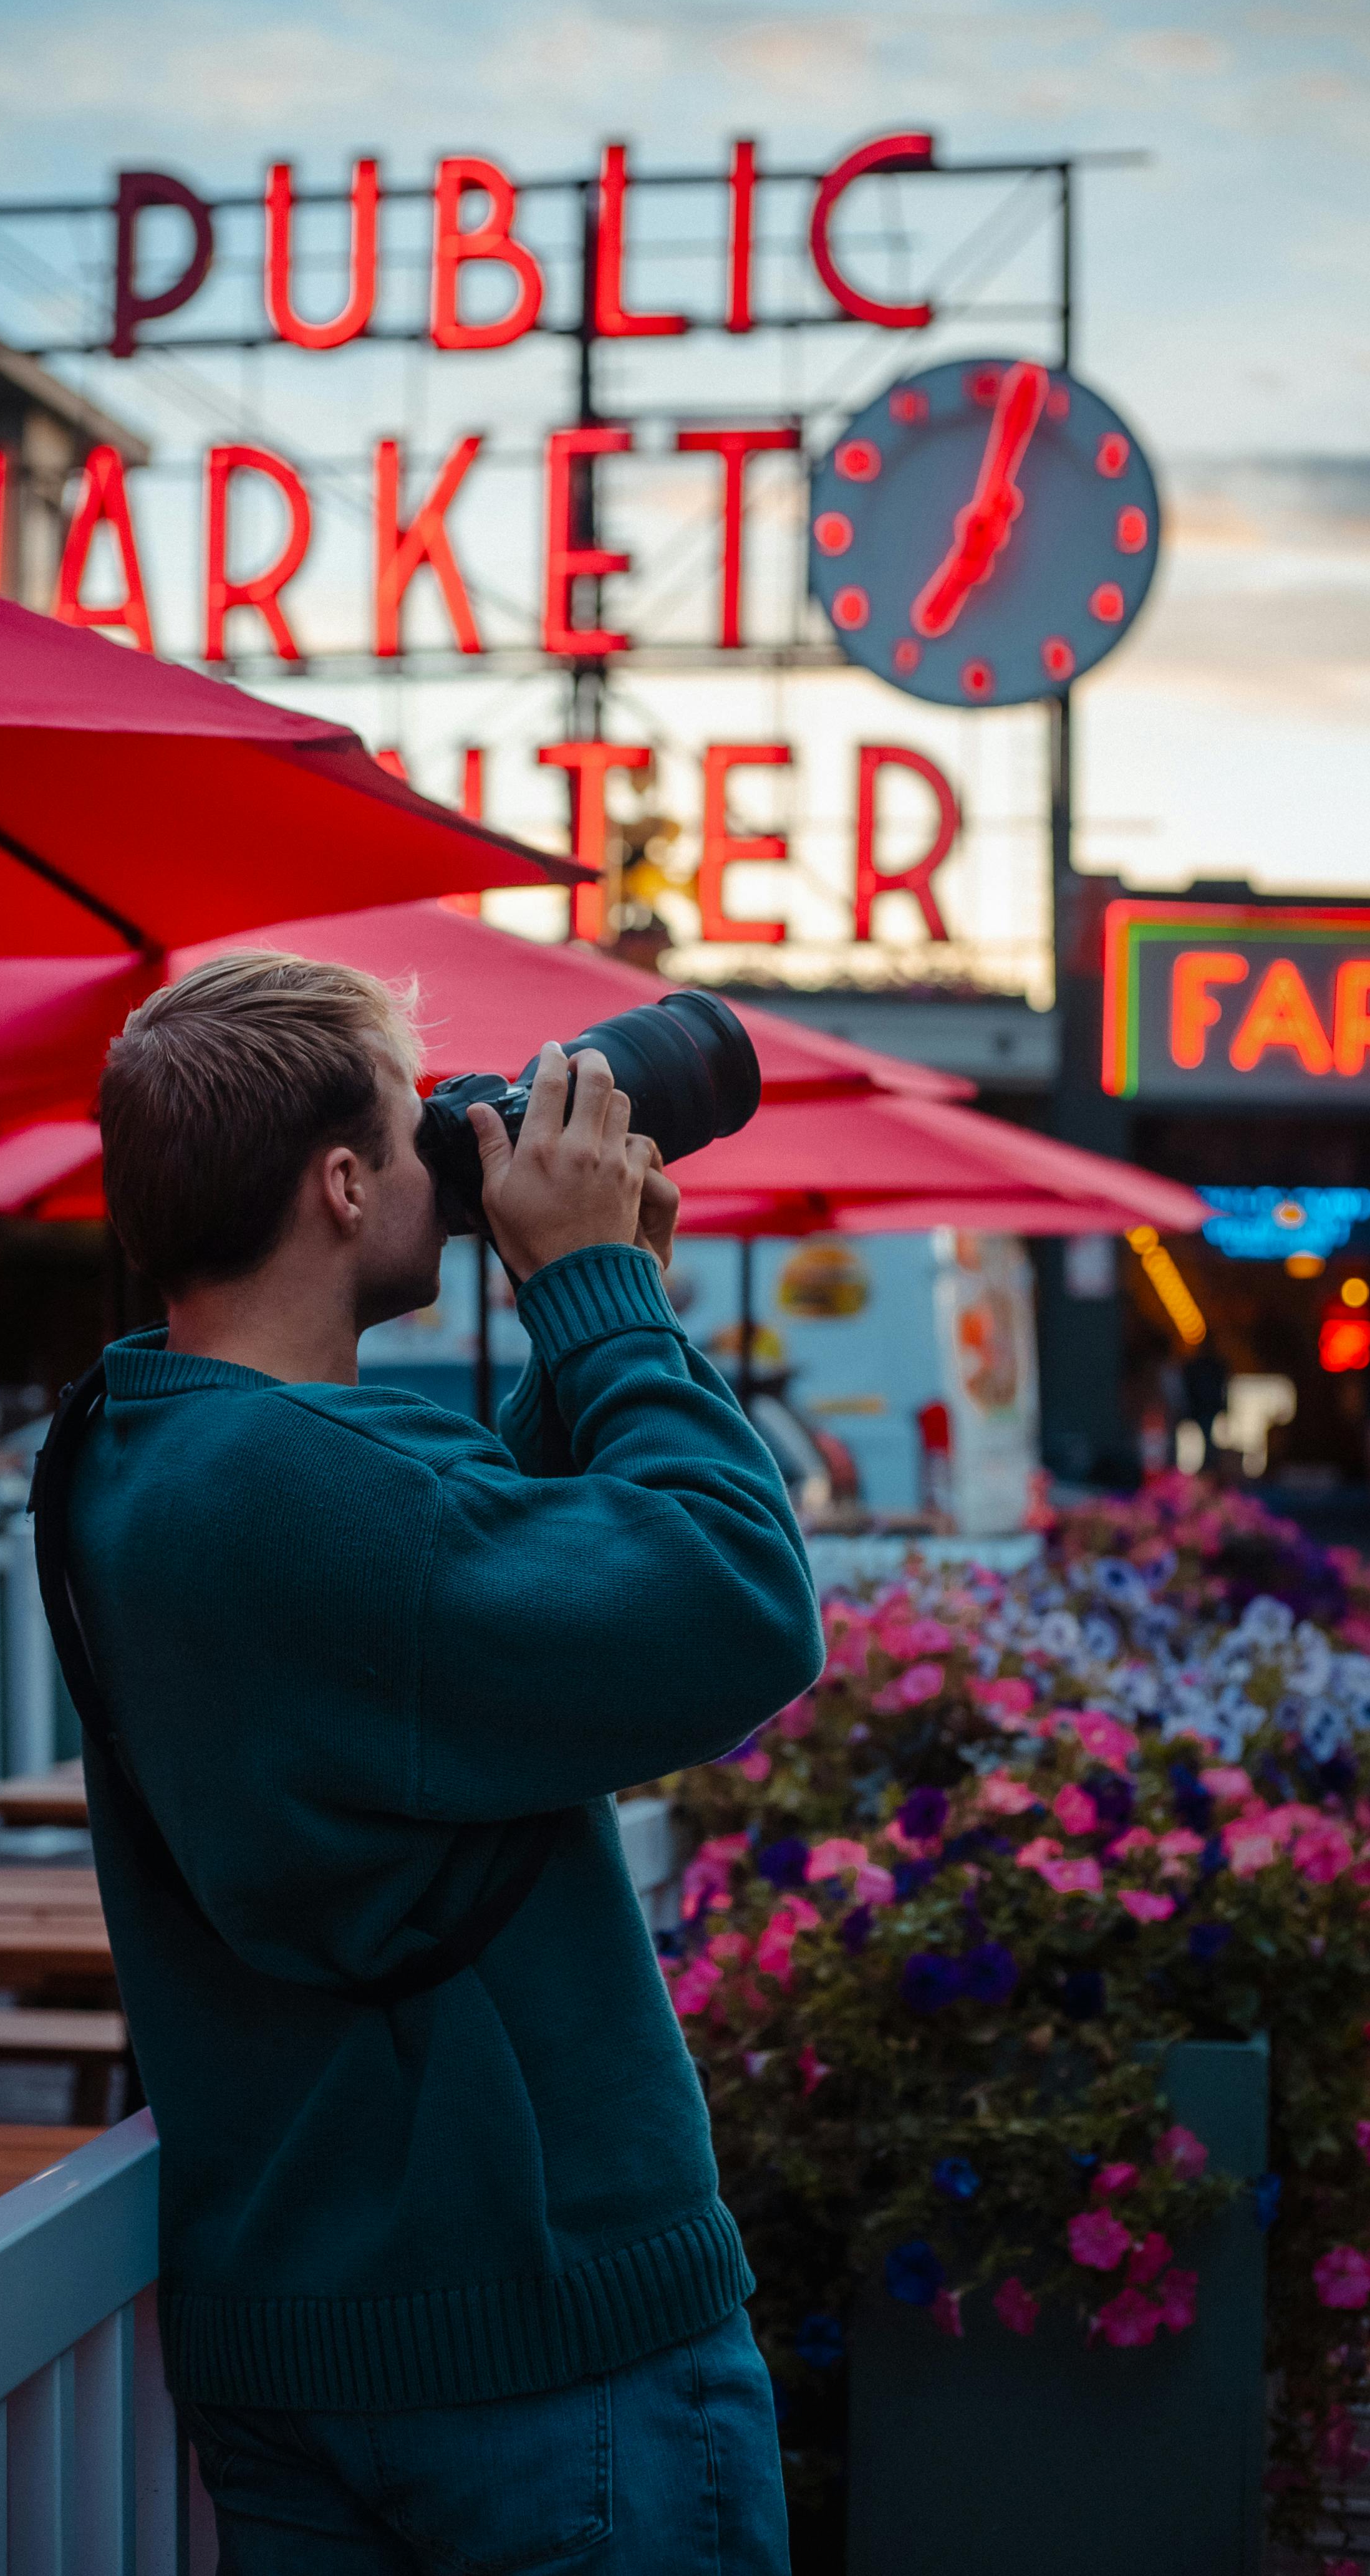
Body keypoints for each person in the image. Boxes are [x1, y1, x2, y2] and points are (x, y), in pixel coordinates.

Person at [72, 951, 822, 2574]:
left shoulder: (134, 1451)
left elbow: (450, 1635)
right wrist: (604, 1300)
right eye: (416, 1135)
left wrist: (593, 1324)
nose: (450, 1156)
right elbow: (740, 1610)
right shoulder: (315, 1486)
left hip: (311, 2324)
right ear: (344, 1185)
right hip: (531, 2352)